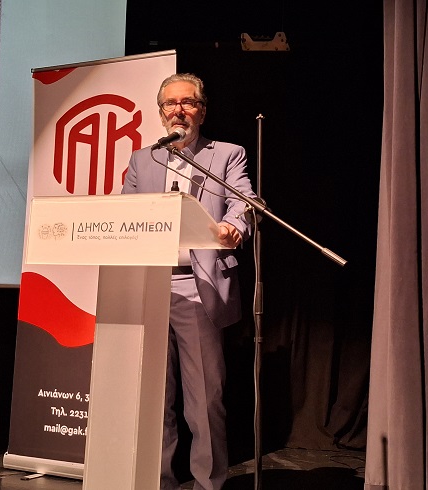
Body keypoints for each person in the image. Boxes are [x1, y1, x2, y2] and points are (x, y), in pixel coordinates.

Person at [122, 73, 256, 490]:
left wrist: (234, 227)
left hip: (198, 287)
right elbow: (126, 214)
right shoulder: (143, 160)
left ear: (202, 110)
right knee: (153, 398)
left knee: (204, 399)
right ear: (161, 112)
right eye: (170, 104)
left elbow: (245, 202)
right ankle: (156, 481)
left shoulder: (226, 154)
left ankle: (207, 484)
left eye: (188, 102)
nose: (178, 110)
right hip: (149, 286)